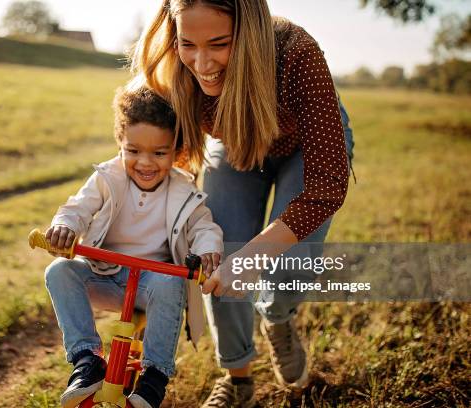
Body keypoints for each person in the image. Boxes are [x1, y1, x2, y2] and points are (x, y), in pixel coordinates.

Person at [131, 0, 355, 406]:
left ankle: (279, 318)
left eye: (219, 44)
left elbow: (325, 187)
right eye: (188, 44)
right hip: (235, 143)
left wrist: (252, 259)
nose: (202, 63)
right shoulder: (172, 72)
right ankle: (238, 379)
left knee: (286, 261)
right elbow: (155, 163)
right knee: (218, 249)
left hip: (303, 144)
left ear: (249, 32)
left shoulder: (296, 52)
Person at [43, 86, 223, 408]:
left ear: (175, 150)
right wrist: (65, 226)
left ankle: (155, 375)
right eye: (134, 150)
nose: (145, 162)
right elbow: (78, 208)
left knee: (171, 283)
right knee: (59, 271)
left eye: (159, 152)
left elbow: (203, 227)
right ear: (120, 145)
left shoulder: (182, 189)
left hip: (151, 286)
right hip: (105, 276)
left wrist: (208, 249)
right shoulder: (108, 177)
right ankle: (87, 359)